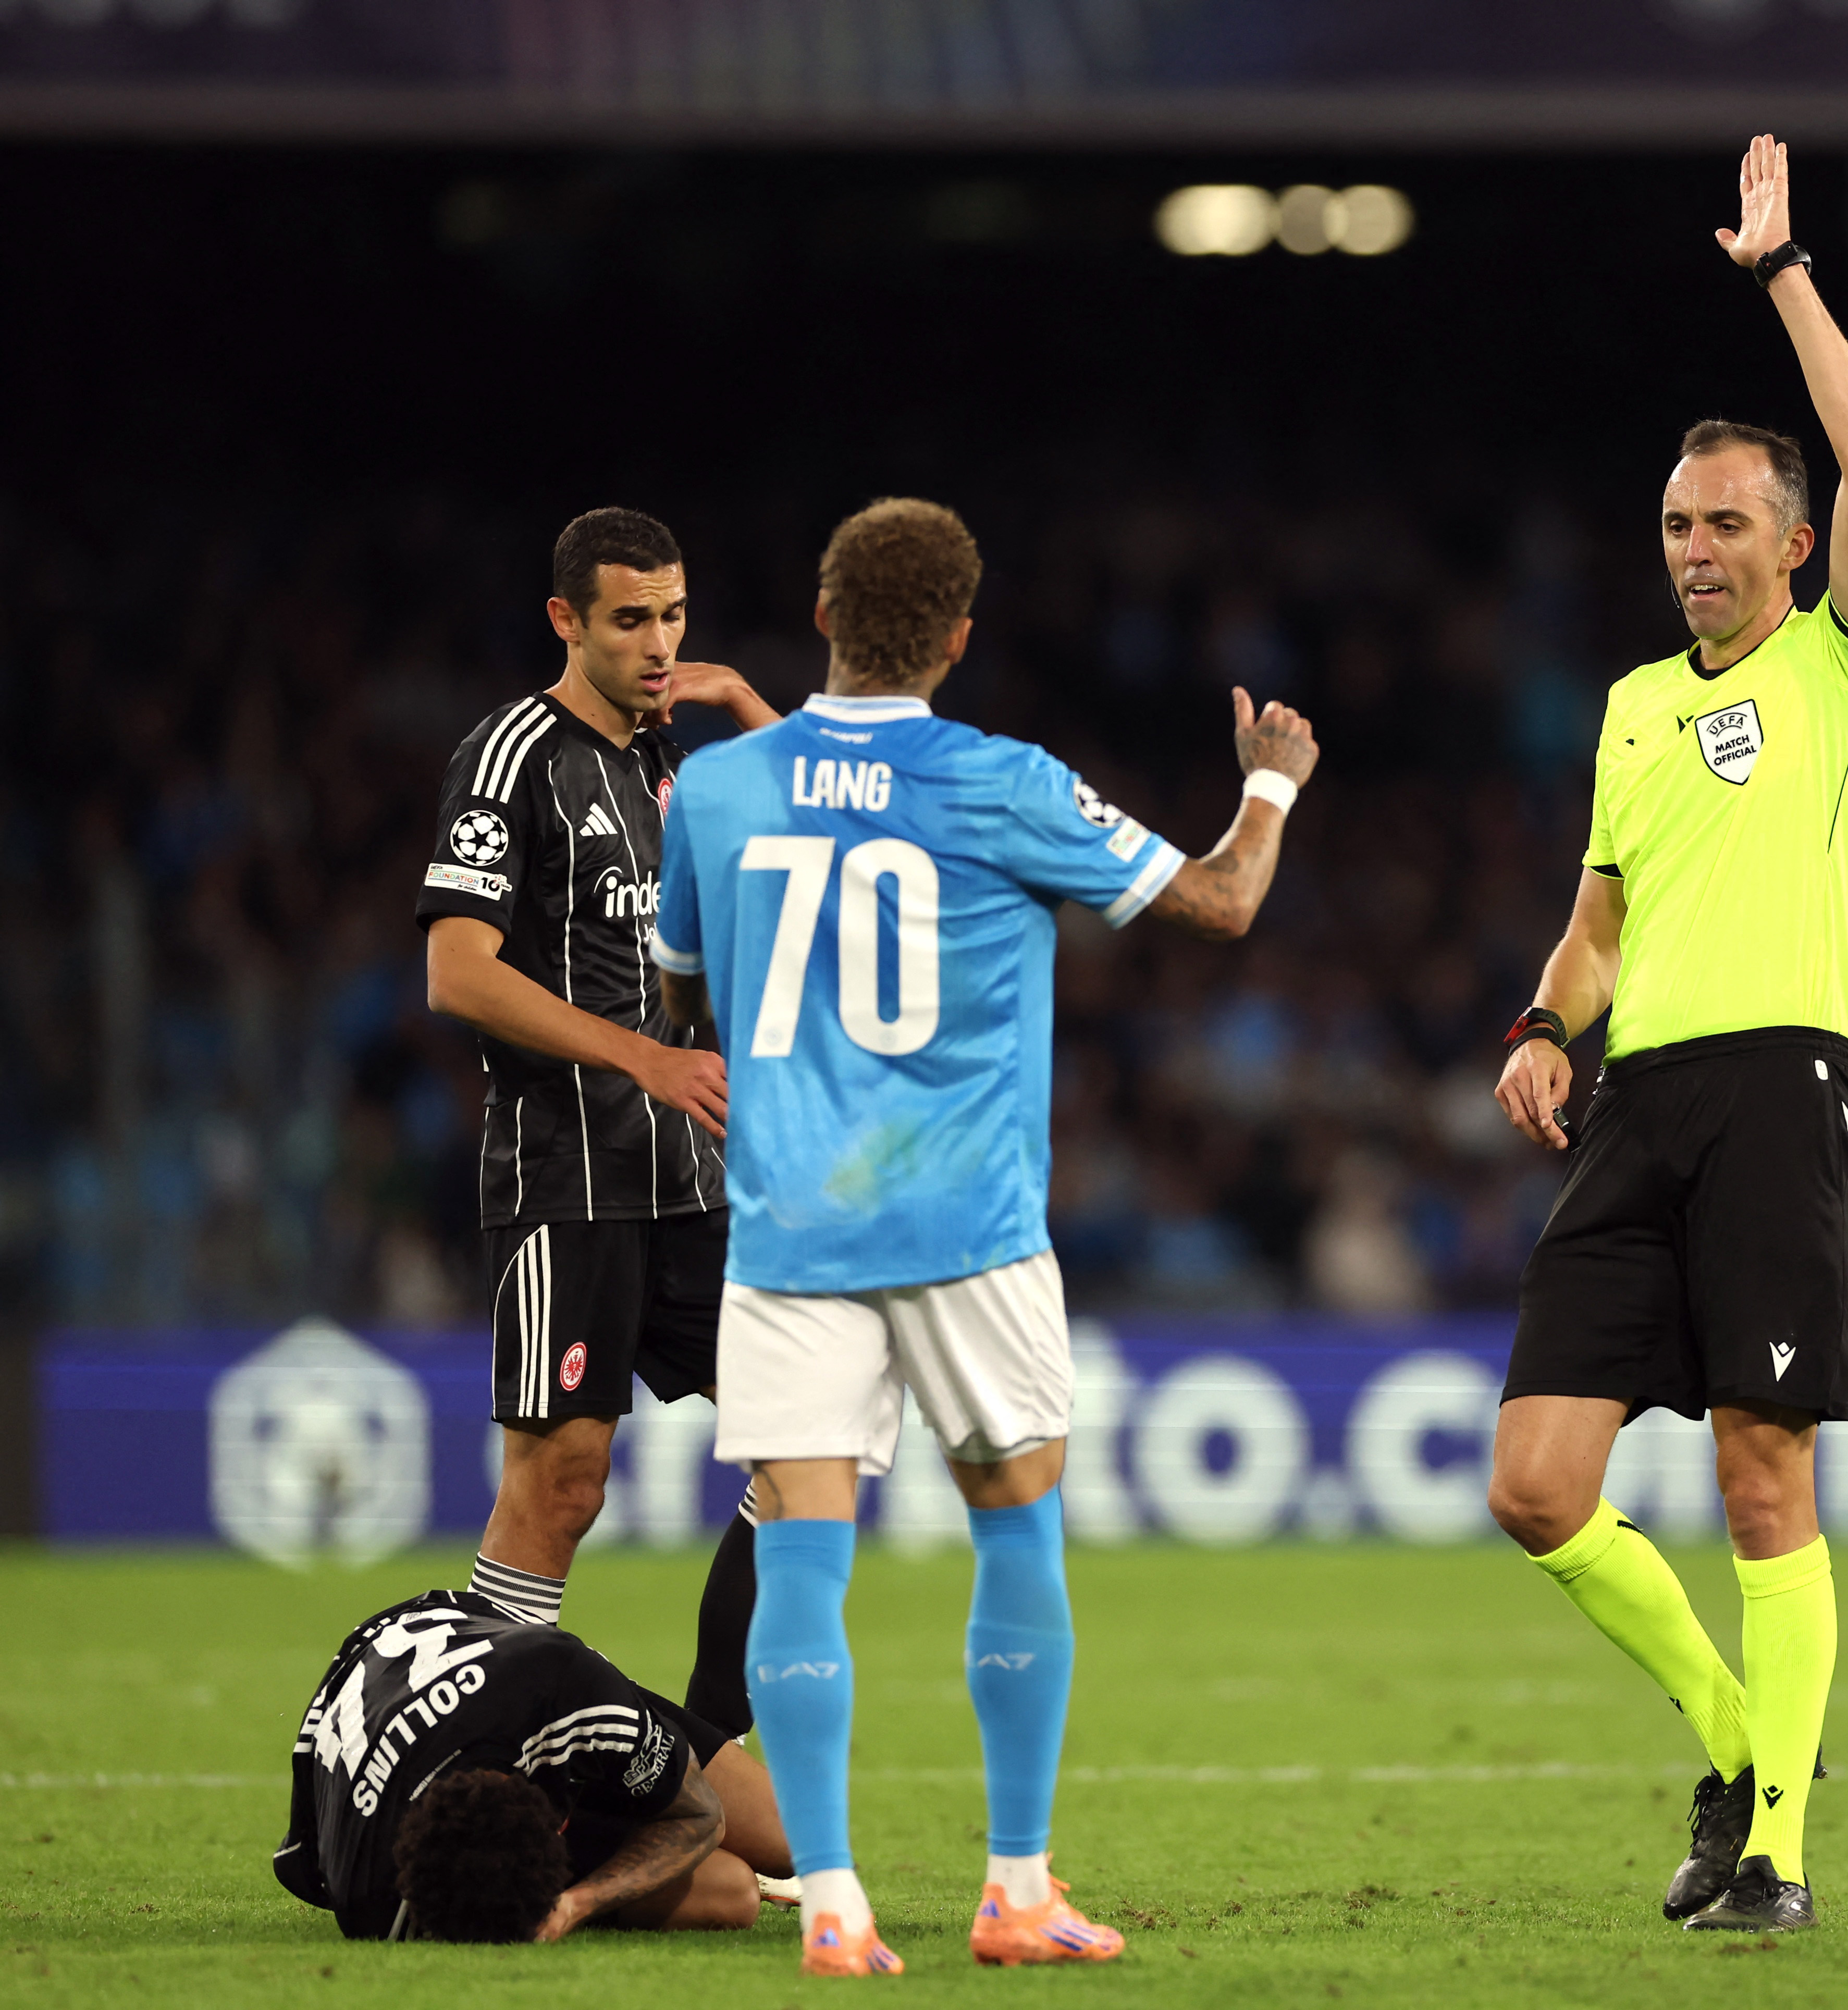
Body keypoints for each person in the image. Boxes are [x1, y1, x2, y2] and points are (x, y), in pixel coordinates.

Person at [651, 496, 1319, 1977]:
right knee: (1014, 1530)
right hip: (966, 1228)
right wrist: (1267, 787)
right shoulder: (1007, 782)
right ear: (959, 637)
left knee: (802, 1558)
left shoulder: (713, 789)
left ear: (821, 615)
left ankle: (829, 1907)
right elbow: (1217, 904)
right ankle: (1014, 1890)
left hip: (789, 1233)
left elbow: (683, 982)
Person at [1484, 134, 1848, 1935]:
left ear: (1796, 544)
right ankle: (1742, 1738)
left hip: (1779, 1091)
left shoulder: (1845, 662)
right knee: (1533, 1482)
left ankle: (1781, 1857)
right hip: (1637, 1106)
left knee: (1759, 1467)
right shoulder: (1634, 706)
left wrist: (1781, 271)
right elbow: (1599, 919)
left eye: (1727, 521)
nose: (1696, 550)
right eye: (1676, 525)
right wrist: (1537, 1022)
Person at [416, 507, 779, 1734]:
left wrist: (746, 709)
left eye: (675, 616)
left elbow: (836, 841)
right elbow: (458, 972)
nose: (659, 643)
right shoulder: (512, 755)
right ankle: (472, 1764)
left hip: (695, 1182)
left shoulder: (671, 758)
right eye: (632, 620)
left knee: (809, 1435)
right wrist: (642, 1057)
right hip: (565, 1178)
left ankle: (709, 1750)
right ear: (567, 619)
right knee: (561, 1484)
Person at [273, 1586, 797, 1942]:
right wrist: (565, 1905)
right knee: (732, 1894)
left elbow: (702, 1814)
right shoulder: (372, 1897)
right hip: (413, 1697)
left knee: (787, 1837)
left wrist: (578, 1903)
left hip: (491, 1657)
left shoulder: (570, 1687)